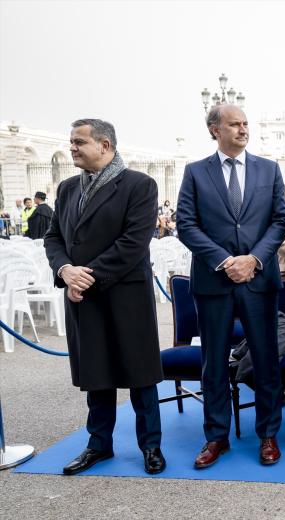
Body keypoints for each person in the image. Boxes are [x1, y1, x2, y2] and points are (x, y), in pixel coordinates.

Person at [44, 118, 165, 475]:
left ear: (105, 146)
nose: (73, 148)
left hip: (125, 294)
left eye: (79, 141)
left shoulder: (139, 185)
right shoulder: (67, 188)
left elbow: (133, 242)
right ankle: (98, 444)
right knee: (96, 373)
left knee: (140, 374)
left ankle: (151, 446)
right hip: (84, 297)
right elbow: (54, 239)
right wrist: (65, 270)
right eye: (71, 142)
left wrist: (84, 277)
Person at [177, 104, 285, 469]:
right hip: (214, 282)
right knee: (213, 364)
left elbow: (279, 221)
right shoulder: (195, 173)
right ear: (214, 130)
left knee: (266, 359)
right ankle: (216, 437)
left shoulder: (269, 169)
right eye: (234, 124)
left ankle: (268, 434)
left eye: (245, 124)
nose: (243, 130)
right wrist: (226, 261)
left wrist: (253, 259)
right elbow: (187, 225)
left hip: (258, 281)